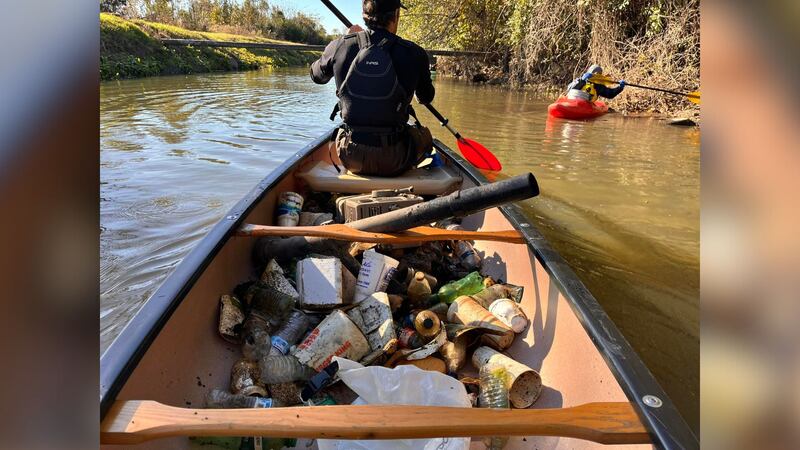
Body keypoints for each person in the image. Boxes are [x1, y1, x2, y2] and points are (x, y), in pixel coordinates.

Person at [310, 0, 435, 177]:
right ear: (396, 16)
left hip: (349, 155)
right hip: (396, 159)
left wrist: (344, 41)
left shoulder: (340, 46)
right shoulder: (414, 53)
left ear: (364, 15)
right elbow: (425, 98)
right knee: (425, 136)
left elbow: (316, 76)